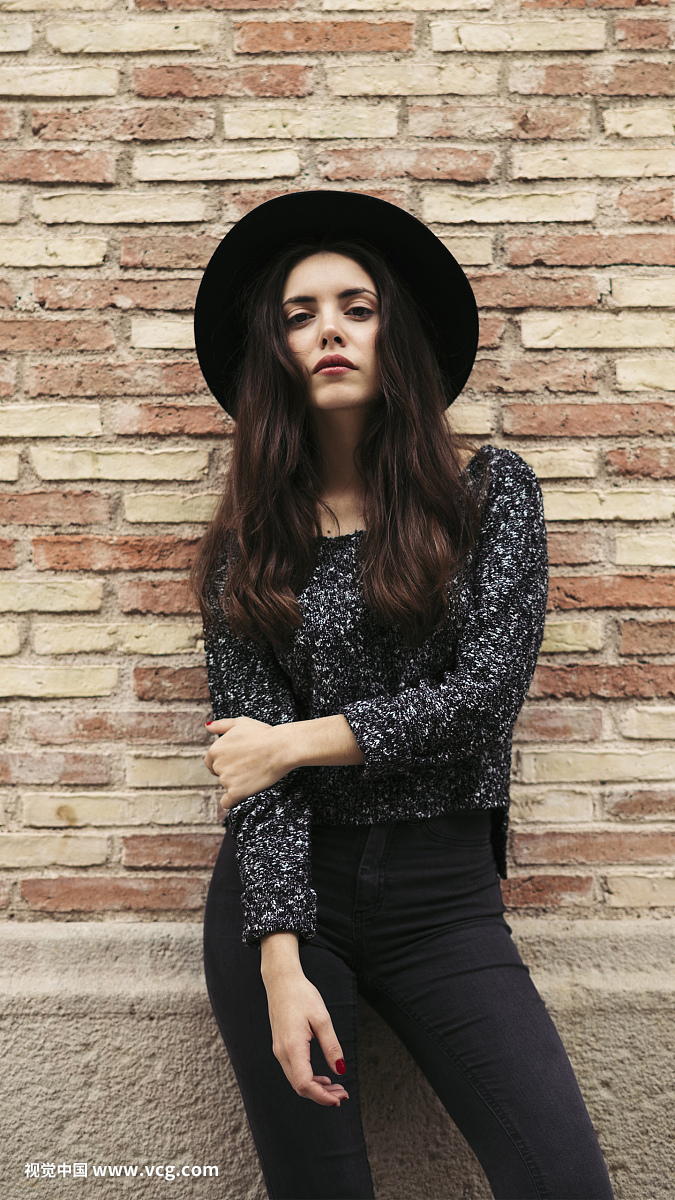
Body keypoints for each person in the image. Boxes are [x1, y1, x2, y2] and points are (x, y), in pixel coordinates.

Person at [190, 190, 615, 1200]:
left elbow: (482, 701)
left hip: (445, 899)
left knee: (563, 1180)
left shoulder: (488, 494)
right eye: (299, 315)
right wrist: (280, 961)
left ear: (395, 335)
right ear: (276, 352)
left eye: (356, 306)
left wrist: (295, 741)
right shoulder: (247, 547)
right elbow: (255, 781)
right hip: (296, 898)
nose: (328, 329)